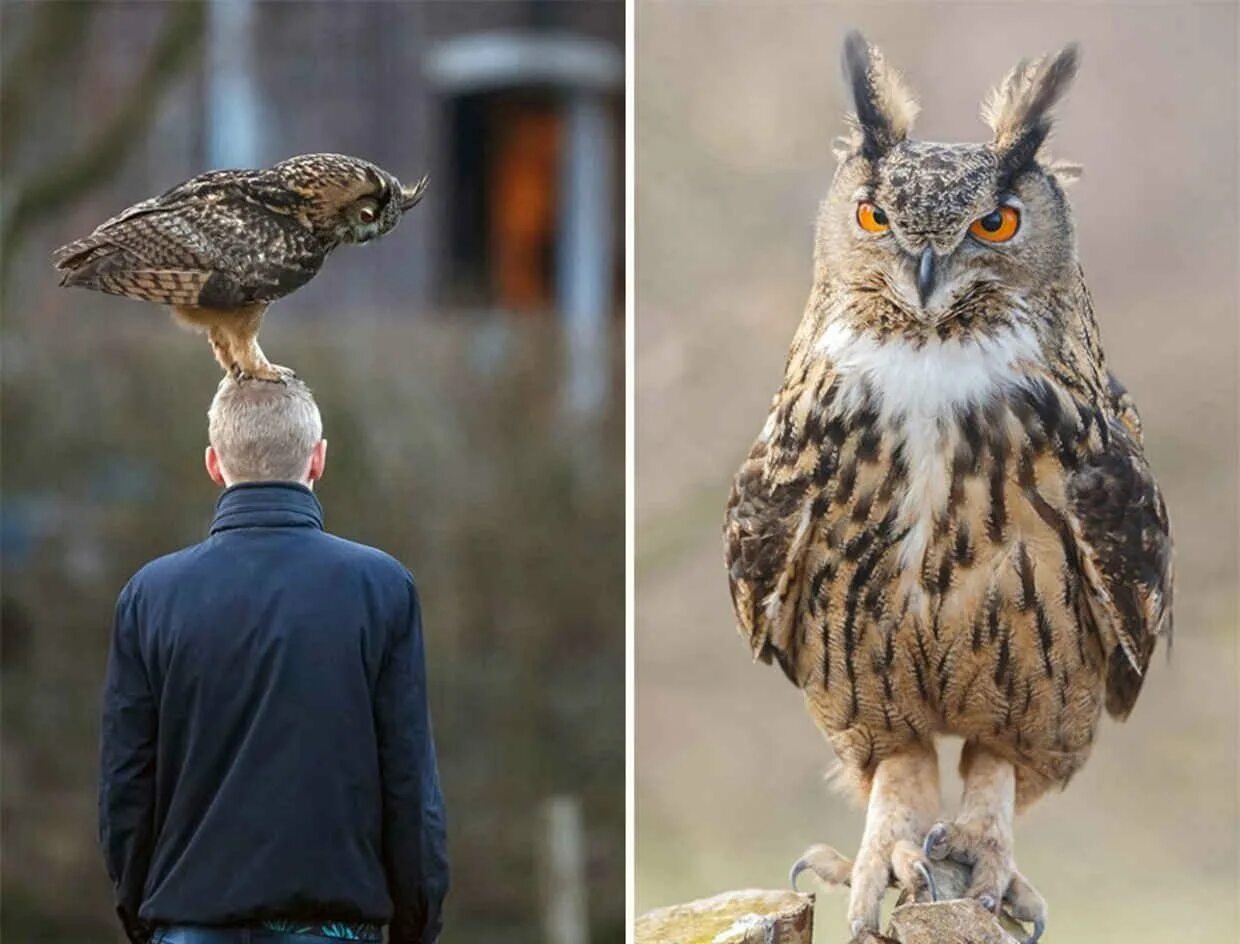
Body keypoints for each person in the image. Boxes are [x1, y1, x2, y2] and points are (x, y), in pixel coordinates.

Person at [98, 377, 448, 944]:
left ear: (214, 464)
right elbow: (408, 784)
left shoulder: (150, 595)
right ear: (318, 459)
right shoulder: (379, 587)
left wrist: (148, 921)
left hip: (190, 925)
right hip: (334, 930)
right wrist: (416, 925)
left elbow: (126, 788)